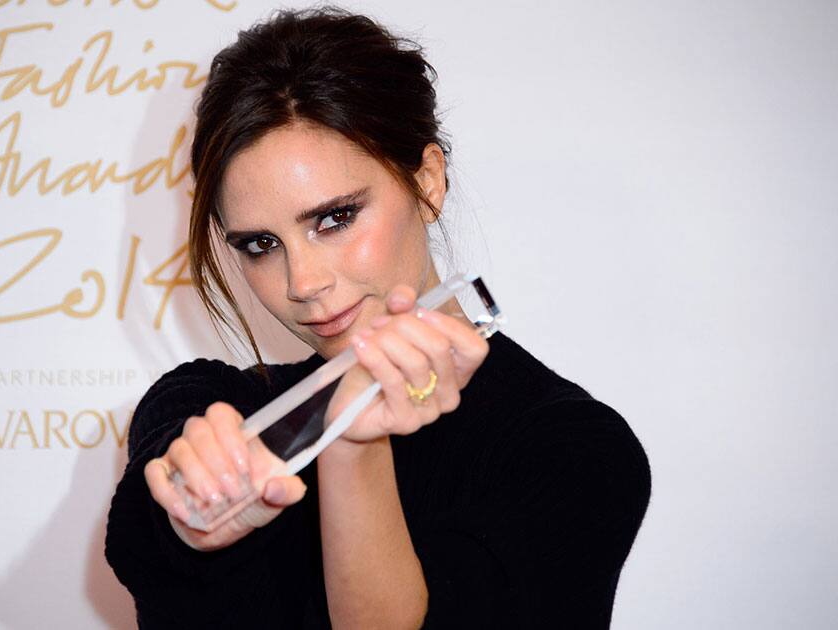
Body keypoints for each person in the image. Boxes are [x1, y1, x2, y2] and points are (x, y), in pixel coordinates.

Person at [105, 7, 651, 628]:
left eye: (334, 218)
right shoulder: (211, 409)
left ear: (426, 182)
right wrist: (190, 519)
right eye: (260, 245)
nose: (303, 283)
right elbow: (157, 539)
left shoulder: (571, 451)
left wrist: (354, 445)